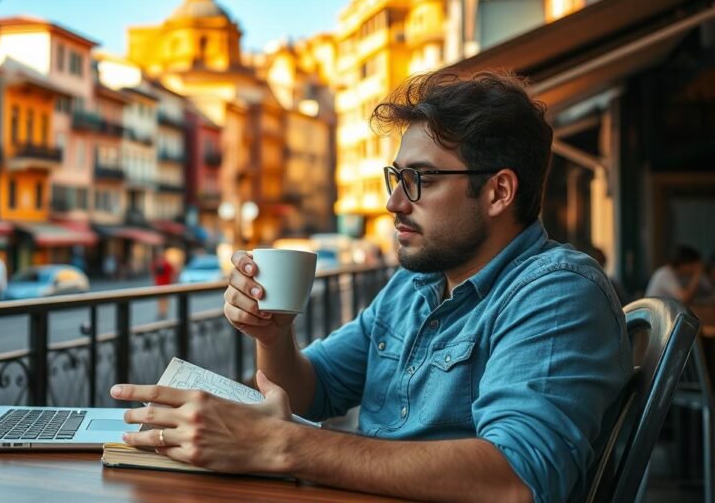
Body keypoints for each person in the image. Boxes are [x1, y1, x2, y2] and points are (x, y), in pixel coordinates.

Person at [109, 71, 632, 503]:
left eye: (420, 180)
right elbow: (310, 392)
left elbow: (516, 480)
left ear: (498, 191)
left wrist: (282, 447)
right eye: (395, 177)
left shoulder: (556, 293)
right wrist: (273, 336)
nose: (394, 204)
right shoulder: (415, 283)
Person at [151, 251, 174, 318]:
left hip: (165, 284)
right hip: (160, 284)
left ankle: (163, 312)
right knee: (161, 299)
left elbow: (172, 272)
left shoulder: (166, 264)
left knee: (163, 299)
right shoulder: (157, 264)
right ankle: (162, 312)